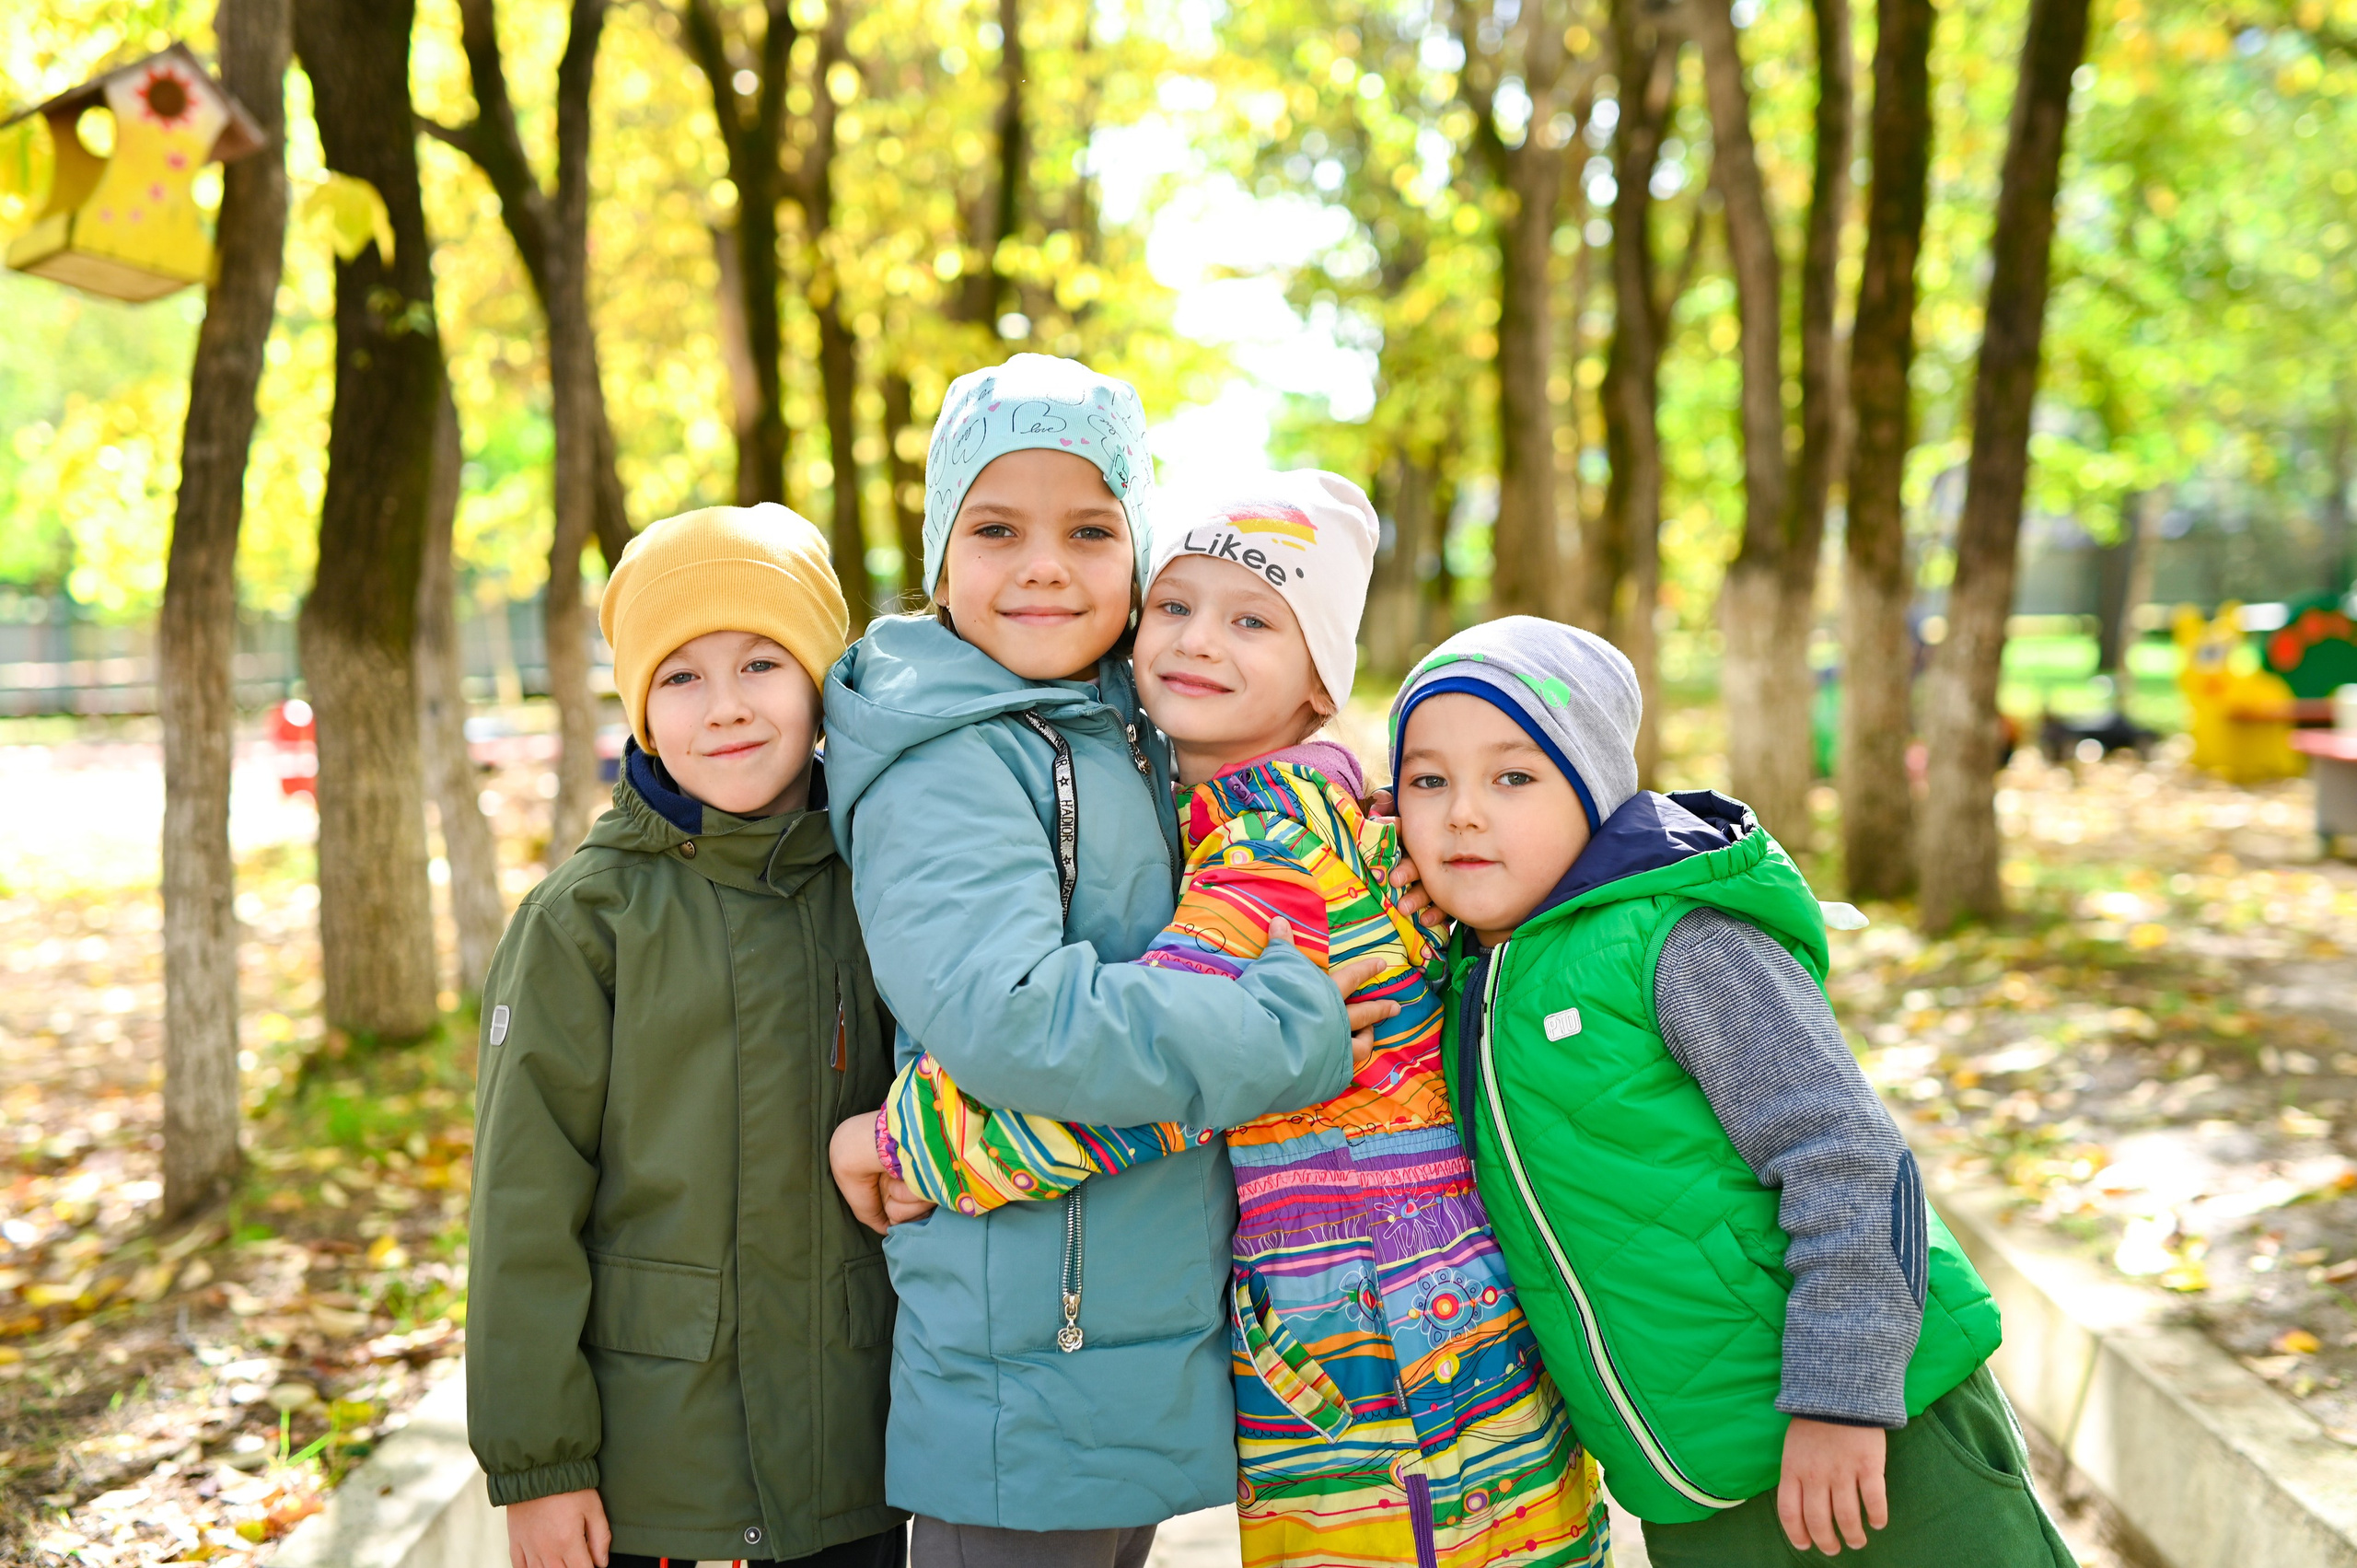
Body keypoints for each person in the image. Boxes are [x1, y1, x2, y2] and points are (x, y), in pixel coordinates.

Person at [865, 471, 1609, 1568]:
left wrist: (909, 1144)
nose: (1197, 640)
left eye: (1253, 618)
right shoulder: (1325, 823)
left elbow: (1149, 1085)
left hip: (1374, 1354)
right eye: (1173, 605)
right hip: (1430, 1322)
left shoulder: (1268, 855)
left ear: (1319, 686)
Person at [819, 356, 1387, 1568]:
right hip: (1026, 1360)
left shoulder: (1114, 718)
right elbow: (1012, 1018)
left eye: (1089, 528)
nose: (1043, 564)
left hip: (1117, 1332)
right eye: (997, 527)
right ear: (939, 554)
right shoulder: (952, 758)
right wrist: (1289, 1034)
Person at [1387, 616, 2073, 1566]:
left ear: (1592, 791)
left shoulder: (1677, 943)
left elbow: (1847, 1156)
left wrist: (1842, 1395)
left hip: (1872, 1436)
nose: (1462, 812)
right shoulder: (1471, 977)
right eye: (1428, 779)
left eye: (1513, 776)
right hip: (1693, 1480)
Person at [466, 505, 904, 1568]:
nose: (727, 708)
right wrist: (541, 1462)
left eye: (761, 662)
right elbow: (523, 1199)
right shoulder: (586, 918)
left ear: (820, 683)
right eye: (681, 677)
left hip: (863, 1446)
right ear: (643, 711)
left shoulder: (884, 882)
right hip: (654, 1466)